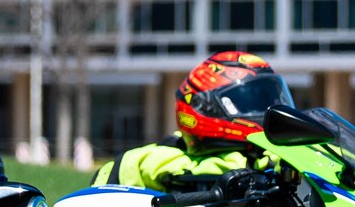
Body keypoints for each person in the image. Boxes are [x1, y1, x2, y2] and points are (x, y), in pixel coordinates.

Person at [94, 50, 345, 189]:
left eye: (271, 97)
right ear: (207, 108)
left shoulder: (273, 151)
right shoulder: (157, 158)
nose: (267, 109)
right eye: (252, 101)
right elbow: (148, 167)